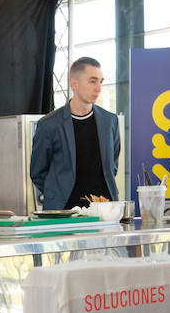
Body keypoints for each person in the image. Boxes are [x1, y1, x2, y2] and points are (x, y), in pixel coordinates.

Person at [29, 57, 123, 211]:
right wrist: (57, 193)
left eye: (101, 81)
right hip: (63, 212)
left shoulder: (110, 121)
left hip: (104, 211)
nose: (98, 88)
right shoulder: (49, 125)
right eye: (92, 81)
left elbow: (112, 166)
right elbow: (37, 172)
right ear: (74, 83)